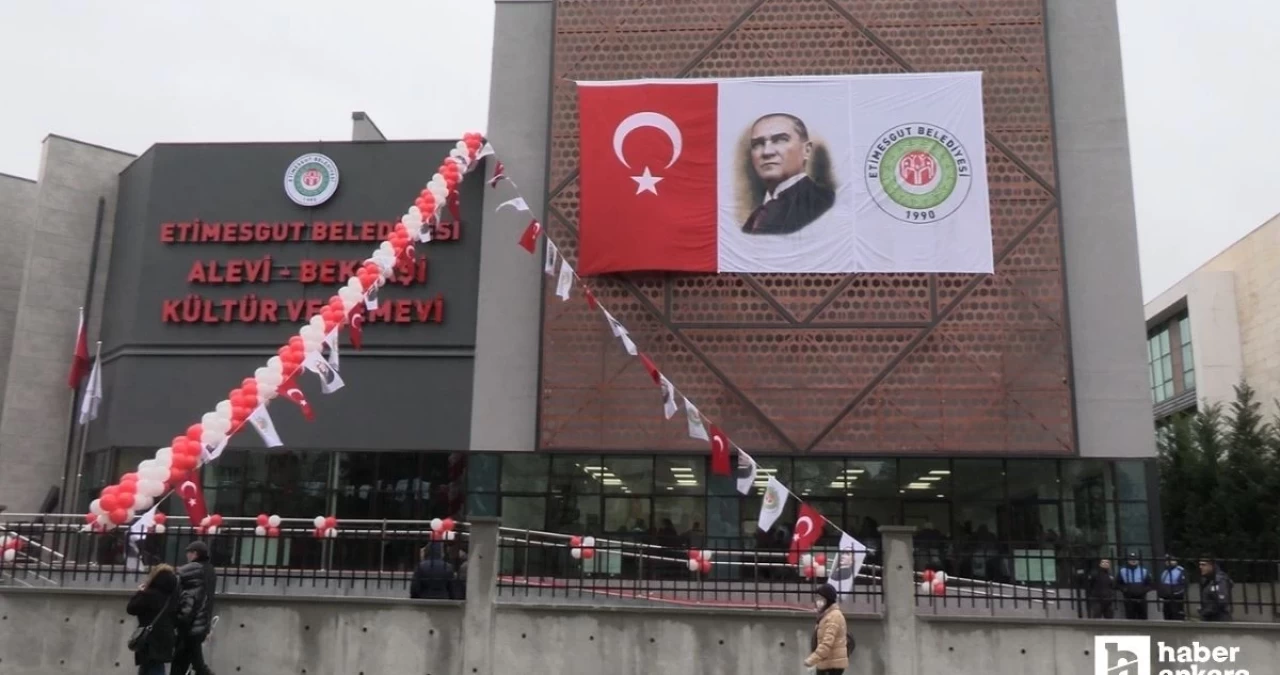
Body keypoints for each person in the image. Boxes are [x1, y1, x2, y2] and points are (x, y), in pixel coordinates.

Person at [740, 113, 835, 235]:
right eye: (757, 144)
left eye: (780, 140)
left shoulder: (824, 203)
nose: (766, 152)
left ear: (807, 150)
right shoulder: (755, 218)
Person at [173, 541, 217, 675]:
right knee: (185, 660)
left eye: (189, 552)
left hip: (190, 623)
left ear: (195, 553)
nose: (187, 555)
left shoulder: (193, 568)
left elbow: (176, 582)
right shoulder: (210, 570)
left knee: (194, 663)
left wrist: (179, 618)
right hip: (202, 623)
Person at [127, 563, 179, 675]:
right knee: (154, 666)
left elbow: (131, 609)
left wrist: (140, 593)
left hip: (149, 639)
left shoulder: (149, 595)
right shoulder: (172, 598)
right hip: (166, 638)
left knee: (152, 667)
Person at [804, 585, 849, 675]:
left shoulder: (833, 616)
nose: (818, 602)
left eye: (821, 599)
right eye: (817, 598)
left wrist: (812, 659)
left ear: (828, 600)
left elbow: (827, 643)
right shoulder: (826, 615)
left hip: (832, 664)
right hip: (827, 663)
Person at [1117, 551, 1152, 620]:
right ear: (1127, 561)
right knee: (1130, 616)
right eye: (1131, 559)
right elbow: (1118, 584)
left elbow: (1150, 584)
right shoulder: (1122, 571)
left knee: (1143, 616)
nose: (1133, 561)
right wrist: (1124, 589)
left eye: (1135, 559)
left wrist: (1143, 590)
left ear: (1138, 561)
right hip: (1128, 597)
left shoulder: (1144, 571)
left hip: (1141, 597)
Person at [1197, 557, 1233, 622]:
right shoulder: (1206, 580)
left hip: (1219, 620)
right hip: (1209, 620)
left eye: (1203, 565)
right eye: (1200, 564)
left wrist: (1205, 610)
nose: (1200, 567)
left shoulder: (1220, 580)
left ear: (1212, 566)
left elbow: (1222, 602)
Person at [1157, 554, 1188, 620]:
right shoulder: (1165, 572)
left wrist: (1174, 594)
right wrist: (1161, 594)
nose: (1169, 562)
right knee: (1167, 617)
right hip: (1166, 599)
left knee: (1177, 617)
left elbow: (1183, 586)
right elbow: (1162, 585)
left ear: (1175, 561)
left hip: (1176, 599)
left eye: (1171, 560)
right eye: (1167, 561)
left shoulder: (1180, 571)